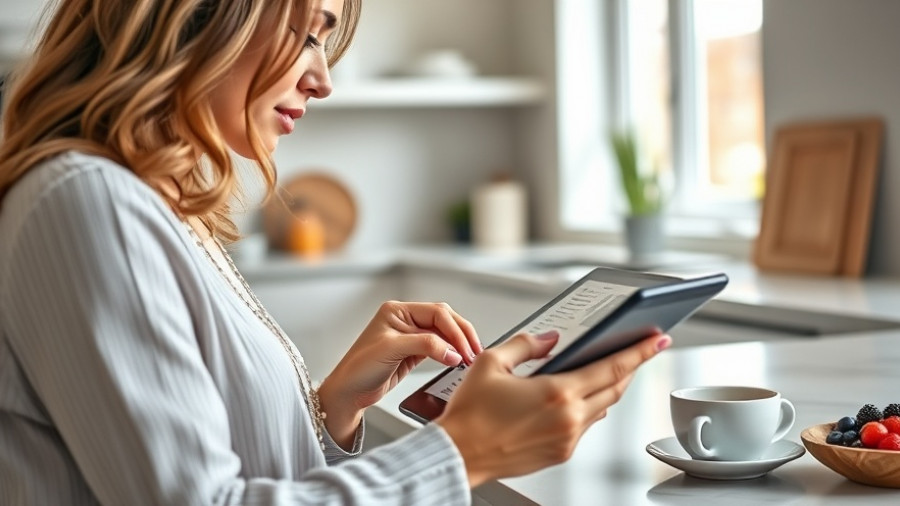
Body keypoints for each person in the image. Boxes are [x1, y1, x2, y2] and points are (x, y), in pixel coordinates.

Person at [0, 0, 672, 504]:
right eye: (312, 31)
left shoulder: (148, 205)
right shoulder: (89, 202)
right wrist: (465, 452)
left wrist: (330, 410)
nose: (322, 79)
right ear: (201, 14)